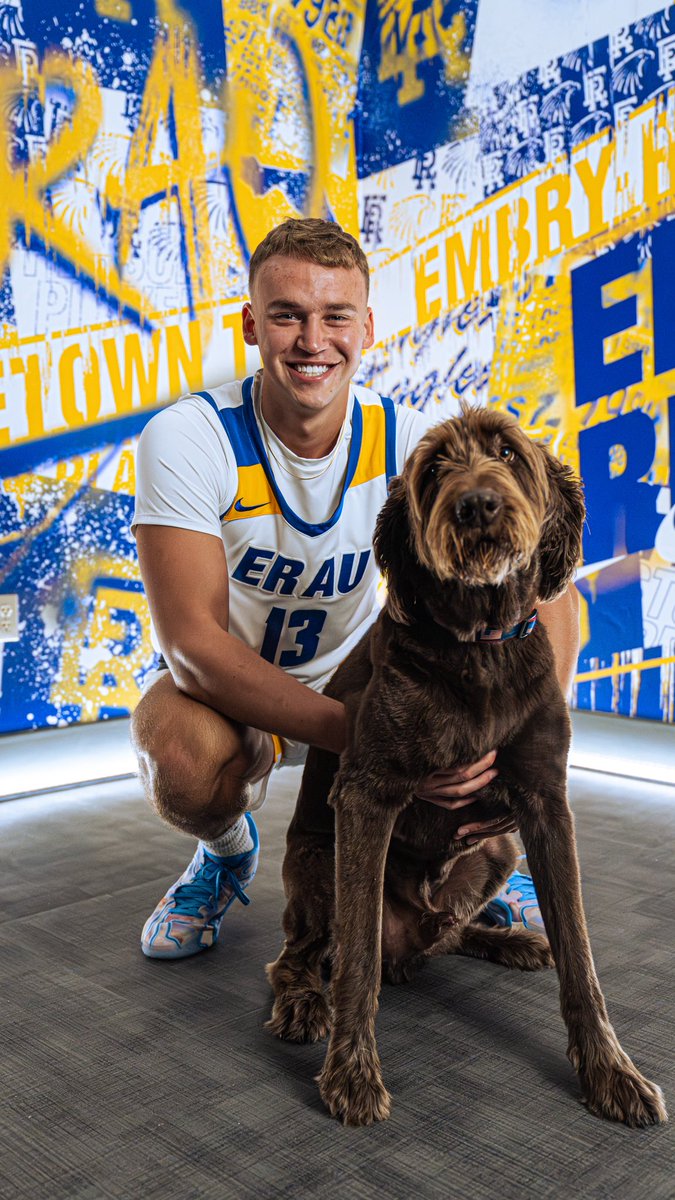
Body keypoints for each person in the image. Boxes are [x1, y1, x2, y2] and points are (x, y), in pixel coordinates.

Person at [131, 217, 580, 959]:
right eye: (287, 315)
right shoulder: (189, 438)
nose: (313, 341)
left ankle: (487, 862)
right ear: (251, 324)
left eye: (335, 316)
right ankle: (222, 854)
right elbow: (193, 648)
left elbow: (548, 592)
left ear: (365, 327)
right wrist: (367, 741)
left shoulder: (412, 441)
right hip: (241, 696)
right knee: (177, 753)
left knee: (505, 703)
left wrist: (520, 745)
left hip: (368, 682)